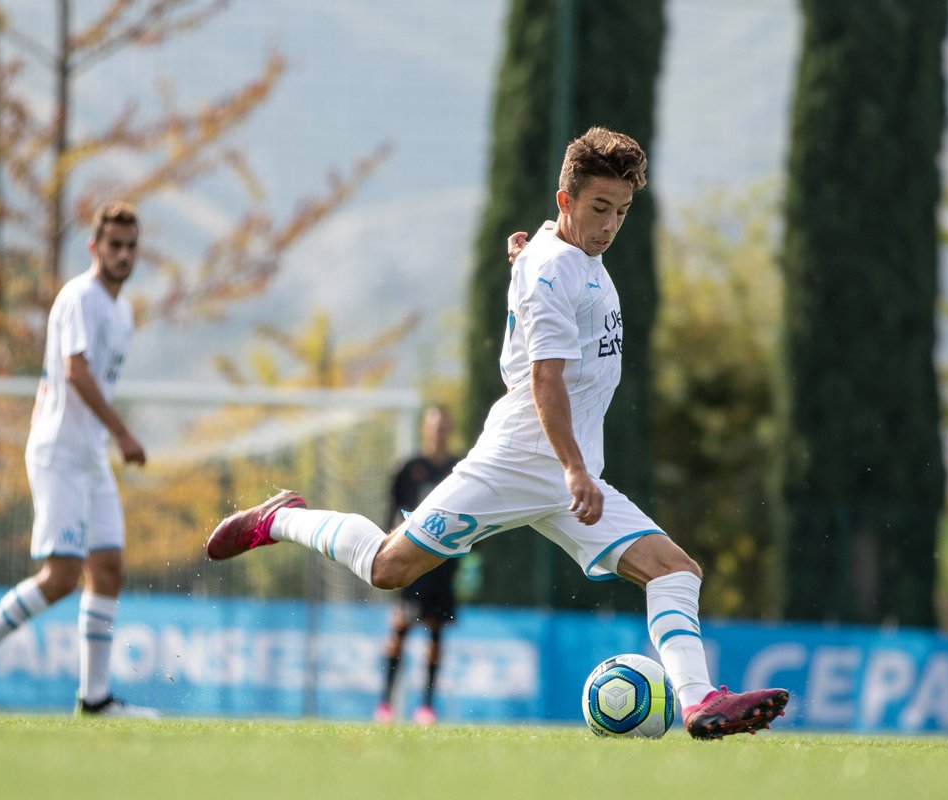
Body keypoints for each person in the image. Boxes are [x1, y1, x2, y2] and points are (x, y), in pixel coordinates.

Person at [207, 127, 789, 738]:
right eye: (599, 208)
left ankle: (698, 703)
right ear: (565, 201)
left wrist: (526, 258)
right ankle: (281, 519)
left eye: (621, 211)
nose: (610, 225)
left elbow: (548, 265)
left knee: (674, 570)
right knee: (387, 567)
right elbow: (545, 378)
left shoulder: (559, 255)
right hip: (521, 460)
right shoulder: (551, 268)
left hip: (567, 474)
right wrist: (573, 468)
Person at [0, 201, 157, 718]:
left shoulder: (122, 311)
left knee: (109, 568)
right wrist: (123, 433)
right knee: (61, 576)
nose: (123, 255)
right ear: (94, 247)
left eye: (130, 246)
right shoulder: (80, 296)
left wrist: (106, 438)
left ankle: (94, 698)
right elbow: (75, 371)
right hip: (60, 452)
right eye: (114, 245)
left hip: (90, 456)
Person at [374, 405, 462, 726]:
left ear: (448, 430)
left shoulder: (459, 469)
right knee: (400, 628)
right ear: (426, 428)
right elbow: (392, 510)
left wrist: (472, 558)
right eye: (434, 426)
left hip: (444, 563)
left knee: (436, 633)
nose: (438, 432)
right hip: (411, 560)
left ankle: (426, 707)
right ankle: (385, 704)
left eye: (443, 426)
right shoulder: (408, 467)